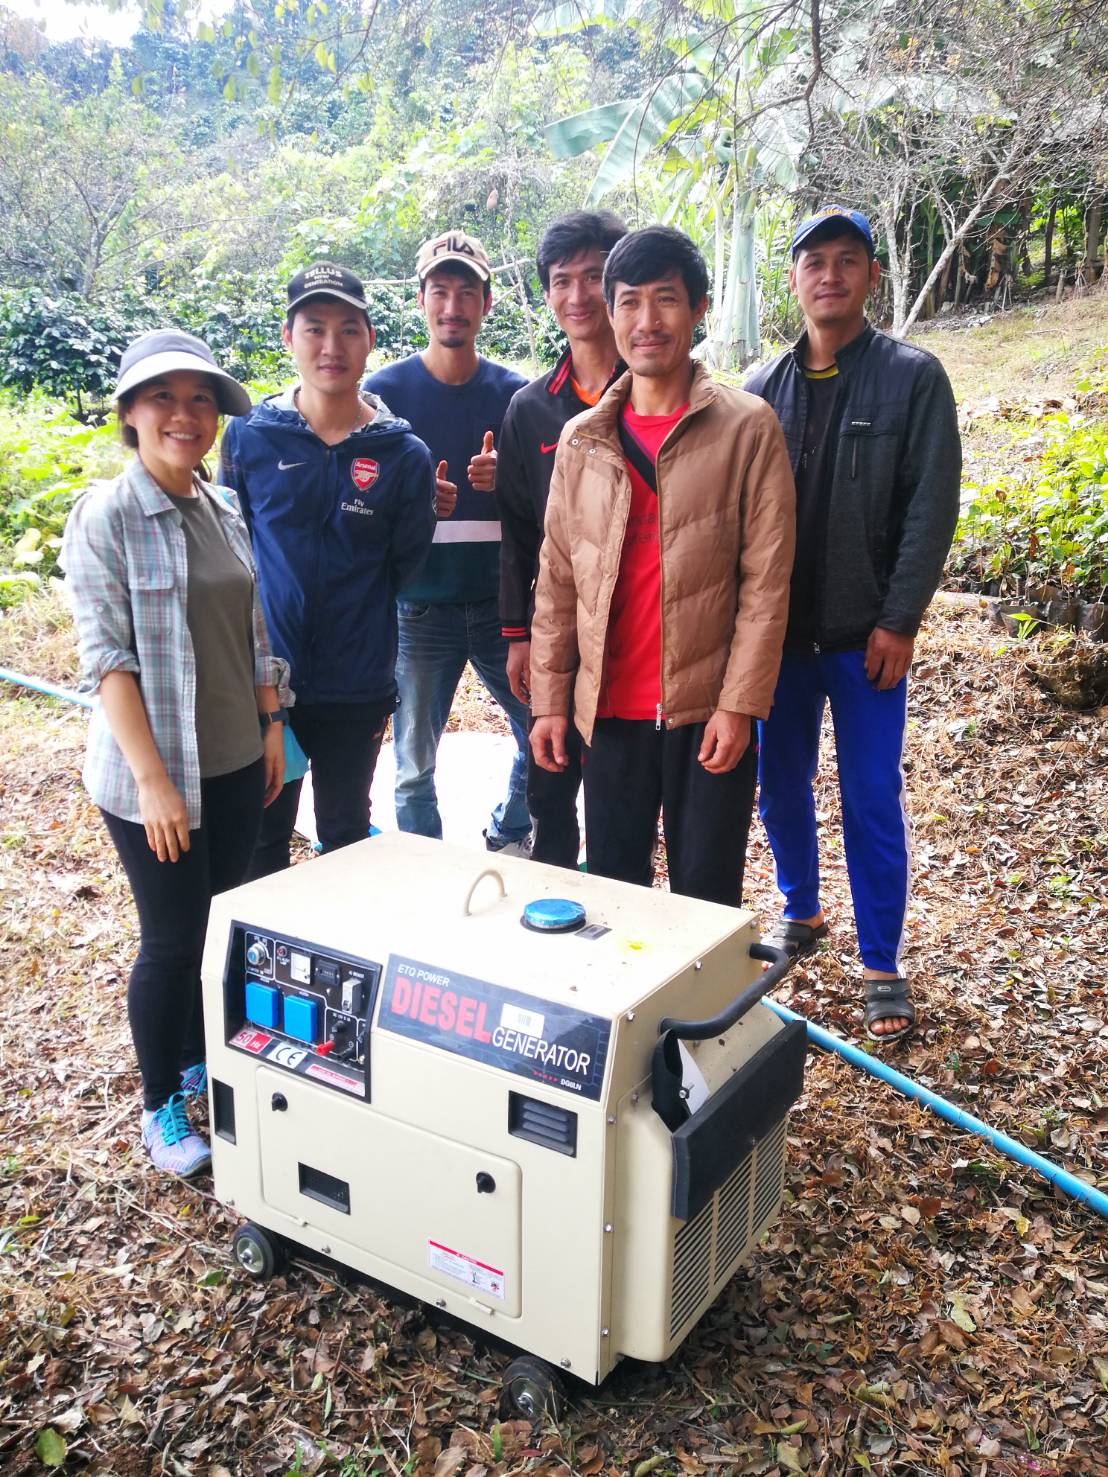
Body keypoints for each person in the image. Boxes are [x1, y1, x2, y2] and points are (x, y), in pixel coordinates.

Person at [60, 330, 289, 1177]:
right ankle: (161, 1102)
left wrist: (271, 724)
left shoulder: (221, 506)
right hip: (155, 775)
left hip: (235, 757)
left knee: (221, 920)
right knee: (171, 935)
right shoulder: (107, 516)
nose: (185, 415)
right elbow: (106, 658)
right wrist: (153, 783)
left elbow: (253, 628)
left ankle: (204, 1061)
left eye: (200, 399)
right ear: (129, 413)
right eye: (164, 398)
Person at [744, 205, 961, 1041]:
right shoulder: (762, 389)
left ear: (872, 275)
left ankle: (881, 959)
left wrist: (900, 618)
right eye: (813, 261)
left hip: (866, 636)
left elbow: (929, 509)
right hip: (780, 641)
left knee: (871, 794)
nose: (828, 274)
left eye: (846, 260)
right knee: (778, 784)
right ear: (793, 279)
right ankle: (801, 910)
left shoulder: (913, 378)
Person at [529, 226, 795, 906]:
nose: (648, 321)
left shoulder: (747, 427)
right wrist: (550, 704)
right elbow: (558, 581)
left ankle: (700, 1016)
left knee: (706, 900)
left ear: (699, 308)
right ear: (611, 314)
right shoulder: (581, 440)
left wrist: (739, 706)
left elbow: (766, 585)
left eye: (667, 300)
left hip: (704, 712)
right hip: (610, 713)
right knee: (617, 897)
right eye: (630, 302)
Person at [220, 263, 436, 876]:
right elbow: (230, 546)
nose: (331, 347)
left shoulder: (403, 456)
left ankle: (339, 971)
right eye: (314, 329)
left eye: (348, 330)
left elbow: (406, 564)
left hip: (356, 686)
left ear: (370, 339)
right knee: (260, 840)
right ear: (288, 338)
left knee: (345, 837)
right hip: (266, 688)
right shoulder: (249, 437)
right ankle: (252, 973)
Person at [364, 231, 531, 854]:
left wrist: (508, 478)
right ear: (421, 300)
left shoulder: (517, 396)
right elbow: (359, 505)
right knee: (411, 767)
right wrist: (414, 506)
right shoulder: (382, 395)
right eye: (441, 291)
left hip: (500, 610)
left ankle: (511, 830)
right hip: (419, 609)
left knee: (544, 739)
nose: (453, 305)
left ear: (487, 303)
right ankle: (423, 872)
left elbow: (551, 506)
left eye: (467, 292)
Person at [496, 210, 627, 867]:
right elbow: (516, 531)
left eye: (595, 277)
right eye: (561, 280)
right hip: (555, 633)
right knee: (550, 786)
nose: (578, 296)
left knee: (617, 799)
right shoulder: (532, 407)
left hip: (632, 631)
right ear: (547, 294)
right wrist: (517, 637)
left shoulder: (652, 391)